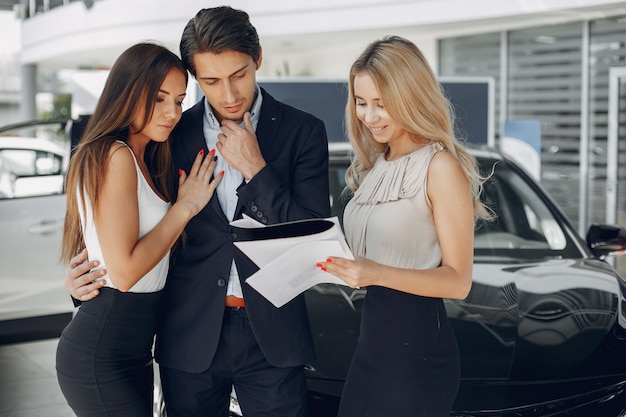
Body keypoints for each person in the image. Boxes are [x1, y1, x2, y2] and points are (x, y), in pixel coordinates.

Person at [64, 6, 330, 417]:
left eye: (239, 75)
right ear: (194, 76)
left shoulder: (303, 131)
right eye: (209, 81)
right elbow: (123, 216)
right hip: (186, 335)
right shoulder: (169, 131)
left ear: (257, 57)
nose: (228, 94)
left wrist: (257, 170)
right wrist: (83, 279)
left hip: (274, 338)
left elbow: (311, 240)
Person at [315, 36, 492, 417]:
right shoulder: (377, 163)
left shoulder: (439, 166)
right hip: (372, 346)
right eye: (362, 103)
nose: (369, 116)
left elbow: (458, 281)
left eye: (382, 104)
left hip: (417, 356)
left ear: (411, 98)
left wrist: (374, 272)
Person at [56, 42, 222, 417]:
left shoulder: (145, 157)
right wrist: (185, 208)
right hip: (103, 352)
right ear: (127, 91)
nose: (172, 112)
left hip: (136, 348)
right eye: (159, 98)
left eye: (179, 101)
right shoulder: (115, 156)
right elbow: (126, 273)